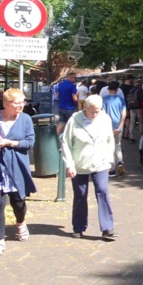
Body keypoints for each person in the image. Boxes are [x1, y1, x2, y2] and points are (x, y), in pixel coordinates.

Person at [0, 88, 37, 257]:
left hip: (17, 166)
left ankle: (20, 223)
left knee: (18, 202)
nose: (21, 105)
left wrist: (10, 143)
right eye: (17, 103)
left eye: (22, 102)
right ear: (6, 103)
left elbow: (30, 142)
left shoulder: (25, 119)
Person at [60, 95, 117, 240]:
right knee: (80, 195)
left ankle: (107, 227)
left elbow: (110, 140)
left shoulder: (105, 119)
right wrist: (70, 164)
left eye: (97, 111)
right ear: (85, 108)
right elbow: (66, 142)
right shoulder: (74, 120)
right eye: (92, 111)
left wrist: (110, 159)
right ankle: (78, 227)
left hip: (101, 162)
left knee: (103, 191)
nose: (95, 114)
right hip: (80, 164)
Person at [102, 81, 128, 176]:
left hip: (107, 126)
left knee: (109, 147)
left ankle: (112, 169)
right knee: (118, 145)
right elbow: (124, 114)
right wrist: (121, 126)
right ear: (117, 89)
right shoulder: (121, 99)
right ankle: (120, 162)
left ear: (108, 89)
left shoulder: (104, 100)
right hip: (118, 126)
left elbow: (103, 114)